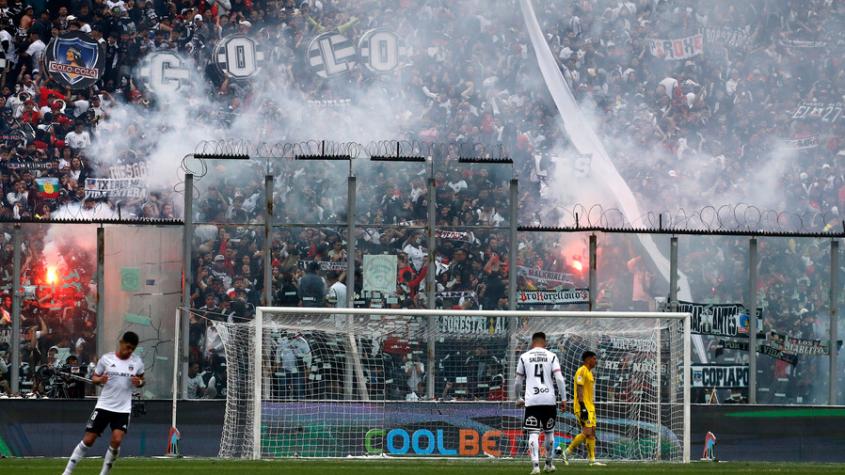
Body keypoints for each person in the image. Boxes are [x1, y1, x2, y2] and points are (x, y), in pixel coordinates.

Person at [61, 331, 144, 475]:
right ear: (121, 343)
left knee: (117, 440)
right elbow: (94, 377)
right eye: (128, 347)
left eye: (132, 349)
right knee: (88, 440)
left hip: (123, 409)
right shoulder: (106, 359)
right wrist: (100, 380)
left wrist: (140, 382)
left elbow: (142, 379)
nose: (129, 351)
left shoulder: (137, 362)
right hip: (104, 406)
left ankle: (104, 473)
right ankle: (67, 472)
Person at [514, 332, 567, 474]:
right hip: (549, 400)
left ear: (532, 342)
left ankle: (535, 467)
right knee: (549, 433)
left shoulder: (524, 357)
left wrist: (518, 397)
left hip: (532, 400)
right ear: (545, 342)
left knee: (533, 433)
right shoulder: (552, 356)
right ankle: (549, 464)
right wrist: (563, 398)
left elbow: (518, 381)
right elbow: (560, 379)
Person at [563, 350, 604, 466]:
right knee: (587, 432)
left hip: (590, 406)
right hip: (582, 406)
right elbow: (579, 389)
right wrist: (582, 407)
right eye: (594, 358)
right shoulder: (582, 370)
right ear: (588, 359)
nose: (596, 361)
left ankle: (592, 460)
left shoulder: (590, 373)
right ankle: (567, 452)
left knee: (592, 433)